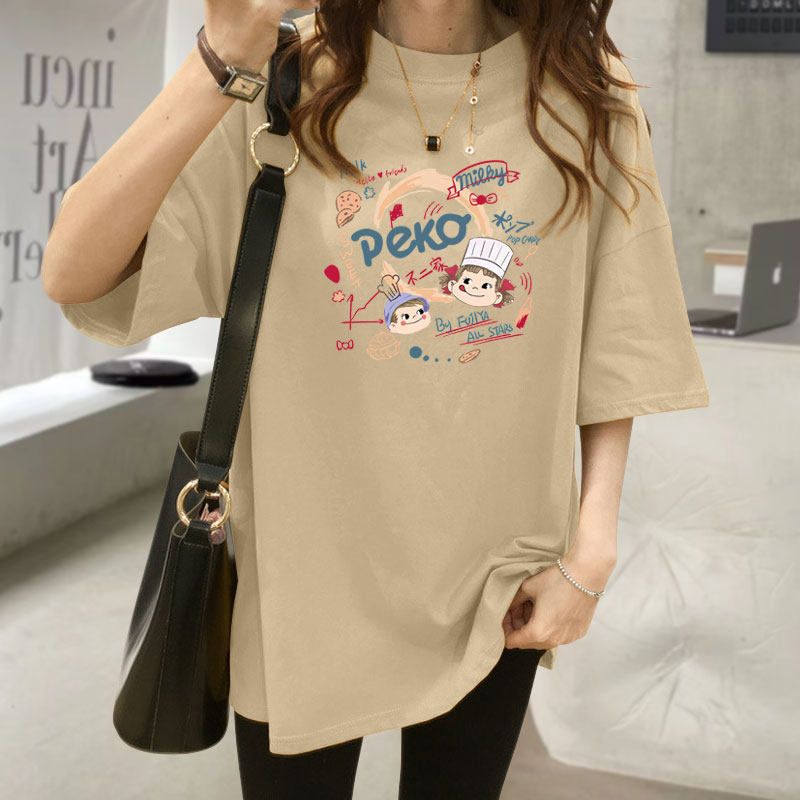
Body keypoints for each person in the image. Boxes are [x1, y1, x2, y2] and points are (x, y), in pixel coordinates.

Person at [41, 0, 711, 797]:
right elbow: (73, 273)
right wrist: (218, 56)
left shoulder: (584, 87)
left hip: (498, 576)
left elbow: (619, 330)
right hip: (306, 575)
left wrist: (591, 550)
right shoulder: (284, 81)